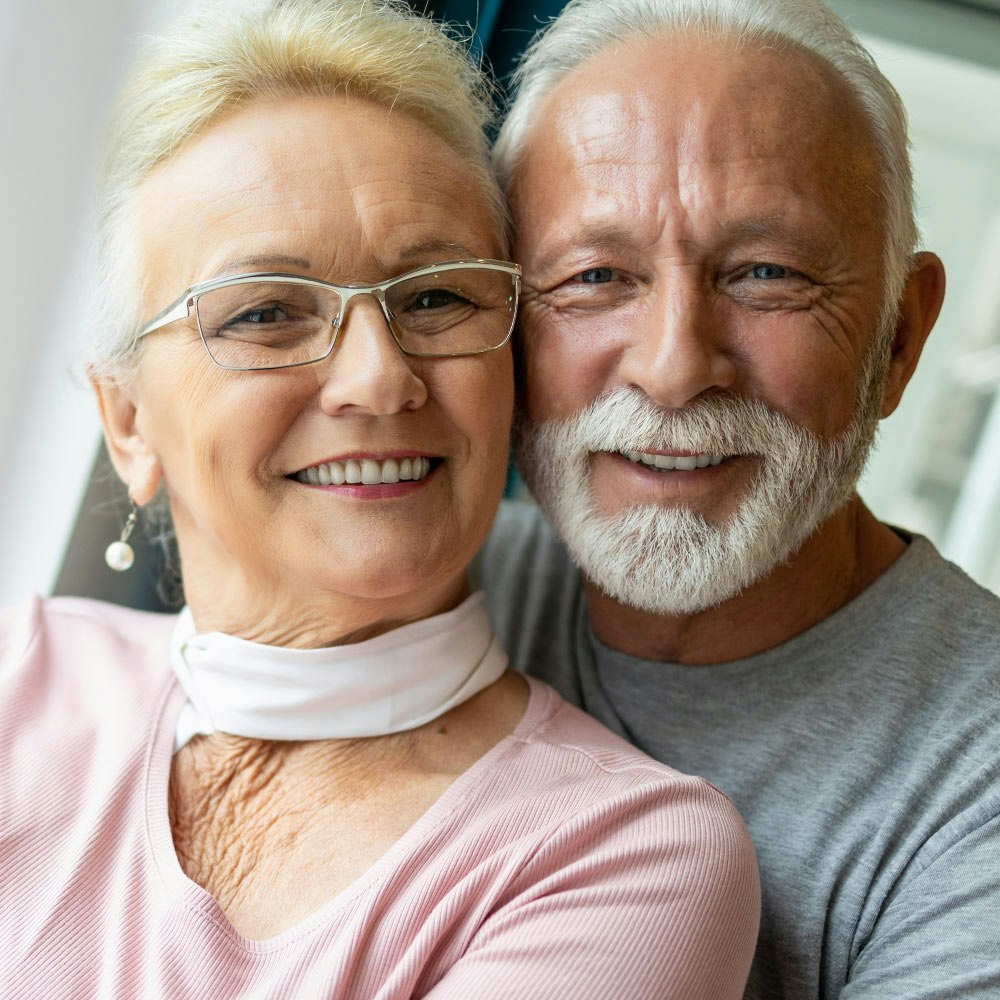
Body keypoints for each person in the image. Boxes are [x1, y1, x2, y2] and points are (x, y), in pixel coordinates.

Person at [0, 2, 760, 997]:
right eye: (266, 312)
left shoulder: (621, 855)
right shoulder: (19, 676)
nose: (379, 379)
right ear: (128, 420)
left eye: (436, 297)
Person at [475, 0, 1000, 997]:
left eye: (766, 274)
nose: (674, 369)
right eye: (595, 275)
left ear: (898, 338)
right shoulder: (434, 595)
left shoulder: (977, 779)